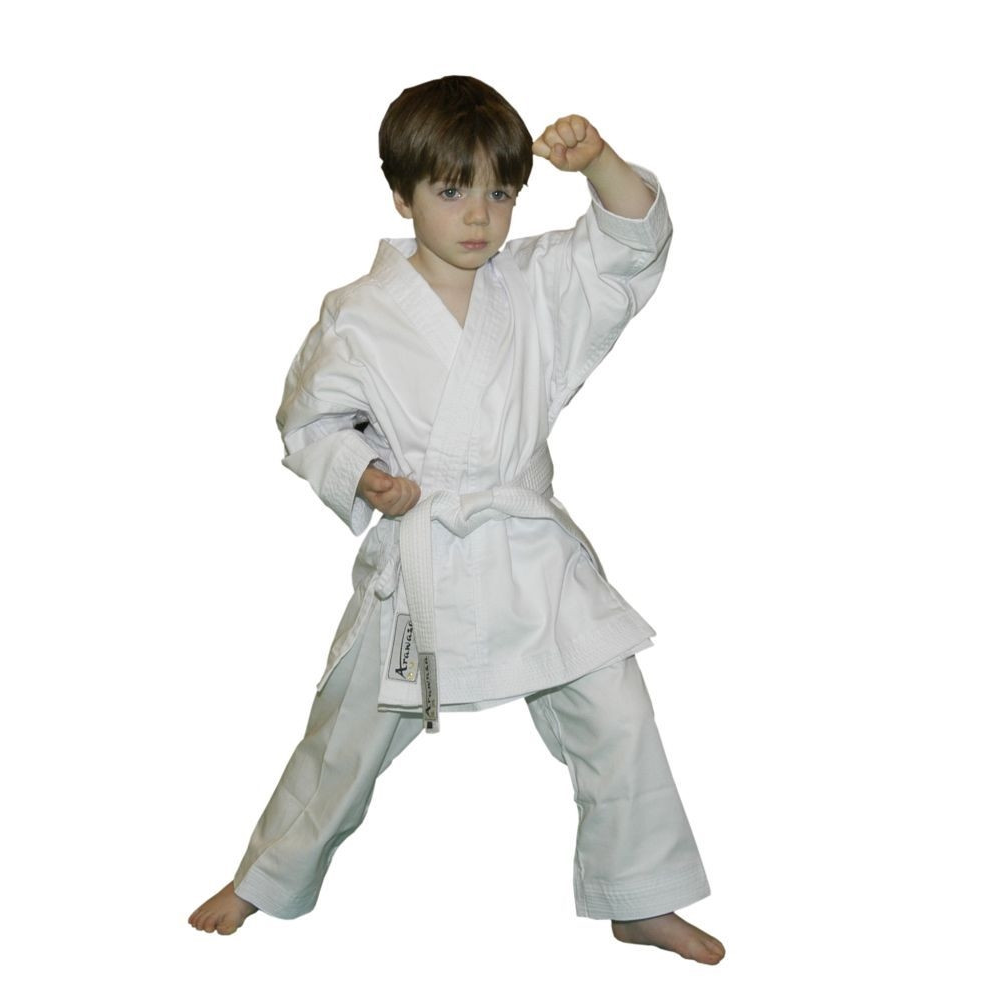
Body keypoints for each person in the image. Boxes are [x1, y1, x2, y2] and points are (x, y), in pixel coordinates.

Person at [189, 76, 724, 965]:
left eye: (500, 193)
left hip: (532, 553)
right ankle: (263, 879)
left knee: (619, 710)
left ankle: (640, 896)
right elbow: (310, 422)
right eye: (450, 190)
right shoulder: (359, 313)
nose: (479, 215)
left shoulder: (538, 285)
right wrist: (369, 477)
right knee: (349, 734)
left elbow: (633, 240)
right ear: (401, 195)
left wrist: (598, 161)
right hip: (423, 561)